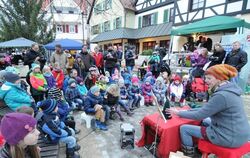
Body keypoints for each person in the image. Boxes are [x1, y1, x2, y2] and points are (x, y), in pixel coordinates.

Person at [169, 64, 250, 157]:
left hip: (228, 138)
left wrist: (178, 113)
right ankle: (198, 146)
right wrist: (186, 111)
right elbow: (205, 109)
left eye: (209, 78)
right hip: (240, 134)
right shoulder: (231, 90)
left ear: (219, 79)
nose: (206, 81)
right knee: (206, 121)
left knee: (184, 128)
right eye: (206, 78)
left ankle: (189, 155)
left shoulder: (221, 95)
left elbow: (199, 115)